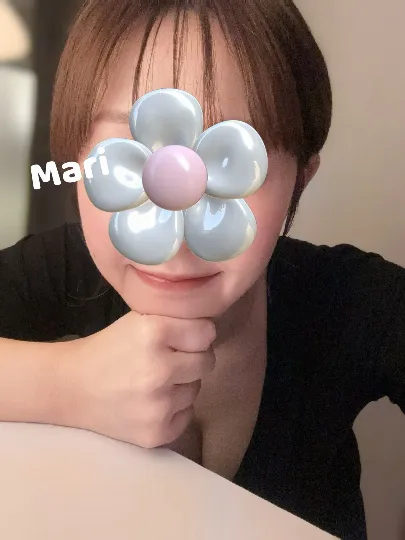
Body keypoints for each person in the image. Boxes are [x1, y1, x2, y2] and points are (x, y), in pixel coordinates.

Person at [0, 0, 404, 538]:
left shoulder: (346, 302)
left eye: (232, 159)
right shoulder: (58, 269)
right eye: (131, 153)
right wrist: (68, 384)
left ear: (300, 180)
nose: (177, 214)